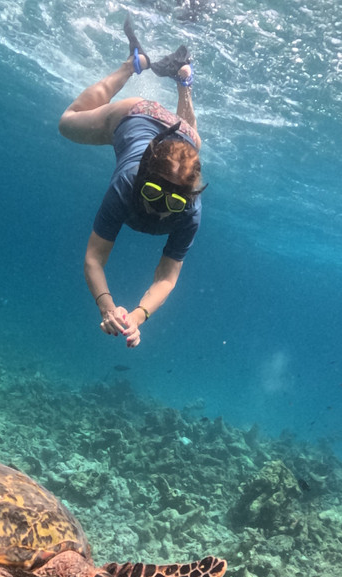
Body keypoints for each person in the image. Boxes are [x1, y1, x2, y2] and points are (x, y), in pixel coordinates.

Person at [59, 16, 206, 348]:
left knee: (193, 141)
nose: (158, 211)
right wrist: (107, 307)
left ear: (187, 200)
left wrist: (136, 317)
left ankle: (181, 76)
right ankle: (133, 65)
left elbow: (168, 277)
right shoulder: (127, 183)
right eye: (154, 193)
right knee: (66, 123)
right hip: (136, 113)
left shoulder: (190, 211)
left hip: (184, 135)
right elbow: (94, 258)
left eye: (173, 203)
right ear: (142, 178)